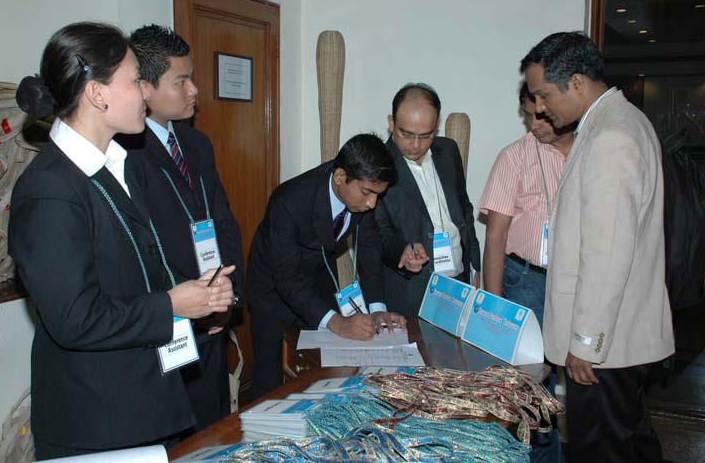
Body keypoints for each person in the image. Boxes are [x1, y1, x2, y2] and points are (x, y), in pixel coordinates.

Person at [8, 22, 234, 460]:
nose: (145, 94)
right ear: (98, 94)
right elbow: (75, 318)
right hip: (99, 421)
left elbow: (138, 273)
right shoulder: (49, 189)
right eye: (135, 82)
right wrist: (172, 305)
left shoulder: (118, 165)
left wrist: (199, 296)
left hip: (148, 403)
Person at [521, 31, 675, 462]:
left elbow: (606, 253)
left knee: (600, 449)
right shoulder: (613, 123)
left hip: (606, 346)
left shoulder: (611, 136)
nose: (539, 107)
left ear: (576, 82)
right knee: (631, 441)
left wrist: (586, 343)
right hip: (620, 338)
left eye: (543, 95)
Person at [121, 24, 244, 432]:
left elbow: (224, 224)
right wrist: (186, 302)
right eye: (181, 81)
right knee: (173, 438)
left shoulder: (197, 144)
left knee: (213, 433)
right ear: (145, 87)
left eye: (192, 78)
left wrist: (226, 296)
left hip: (213, 315)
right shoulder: (124, 154)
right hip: (168, 324)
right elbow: (141, 249)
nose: (194, 90)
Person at [248, 133, 407, 398]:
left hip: (318, 278)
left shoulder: (364, 198)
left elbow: (369, 250)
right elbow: (287, 279)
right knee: (271, 380)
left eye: (378, 195)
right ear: (340, 177)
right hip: (272, 290)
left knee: (325, 371)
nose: (372, 204)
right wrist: (337, 322)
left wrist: (377, 310)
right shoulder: (288, 201)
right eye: (367, 193)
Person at [478, 81, 573, 463]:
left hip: (579, 284)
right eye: (527, 116)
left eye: (542, 116)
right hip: (527, 281)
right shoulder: (515, 157)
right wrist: (494, 308)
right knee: (530, 392)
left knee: (584, 380)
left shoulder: (591, 152)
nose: (534, 124)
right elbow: (495, 237)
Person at [374, 83, 481, 317]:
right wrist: (401, 252)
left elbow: (464, 210)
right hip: (412, 290)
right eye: (406, 134)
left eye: (426, 136)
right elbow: (377, 231)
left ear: (436, 127)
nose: (415, 145)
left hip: (459, 283)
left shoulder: (448, 150)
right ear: (391, 123)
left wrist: (474, 267)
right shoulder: (378, 164)